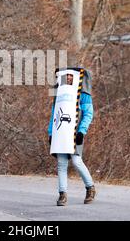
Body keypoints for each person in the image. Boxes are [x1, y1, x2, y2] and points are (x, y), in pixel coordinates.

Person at [47, 70, 95, 206]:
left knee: (76, 161)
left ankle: (90, 188)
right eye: (65, 75)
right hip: (60, 133)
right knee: (62, 164)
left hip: (75, 133)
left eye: (70, 75)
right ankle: (62, 195)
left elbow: (88, 114)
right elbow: (54, 115)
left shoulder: (84, 95)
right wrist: (50, 133)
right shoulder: (59, 95)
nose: (68, 77)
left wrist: (82, 131)